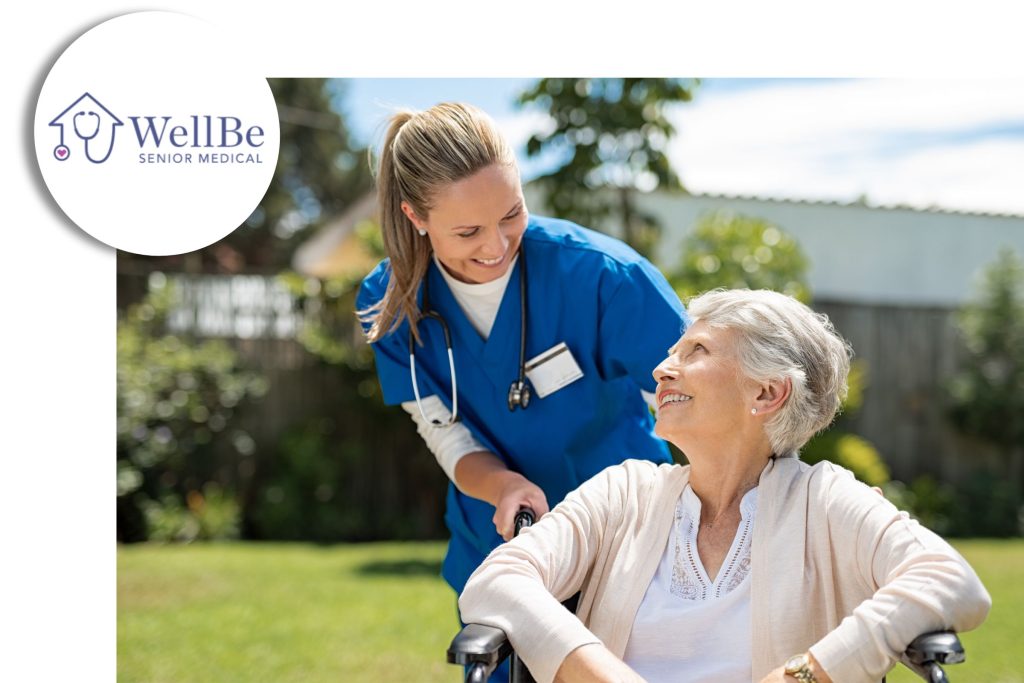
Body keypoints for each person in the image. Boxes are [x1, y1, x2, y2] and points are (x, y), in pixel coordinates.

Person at [459, 288, 991, 683]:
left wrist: (805, 675)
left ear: (766, 393)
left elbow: (951, 581)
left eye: (696, 352)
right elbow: (496, 581)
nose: (664, 369)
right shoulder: (623, 492)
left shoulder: (825, 500)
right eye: (673, 352)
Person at [355, 103, 686, 624]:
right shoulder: (390, 305)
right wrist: (502, 486)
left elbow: (700, 405)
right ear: (415, 217)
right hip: (499, 551)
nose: (496, 245)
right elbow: (446, 434)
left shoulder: (605, 278)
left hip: (628, 545)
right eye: (467, 233)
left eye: (512, 213)